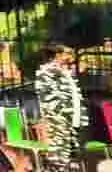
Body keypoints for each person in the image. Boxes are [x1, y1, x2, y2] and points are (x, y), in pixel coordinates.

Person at [36, 44, 86, 172]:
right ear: (57, 55)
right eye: (67, 54)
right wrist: (62, 113)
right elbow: (47, 97)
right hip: (59, 120)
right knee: (60, 152)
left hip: (72, 118)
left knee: (72, 152)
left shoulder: (64, 72)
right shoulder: (46, 72)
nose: (71, 57)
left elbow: (74, 94)